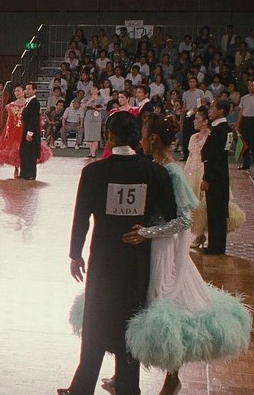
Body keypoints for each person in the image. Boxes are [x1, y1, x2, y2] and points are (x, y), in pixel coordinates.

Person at [120, 113, 252, 395]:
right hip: (151, 243)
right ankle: (128, 373)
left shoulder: (172, 171)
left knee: (166, 304)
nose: (140, 139)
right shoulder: (155, 166)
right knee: (145, 303)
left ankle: (172, 377)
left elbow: (185, 220)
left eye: (143, 134)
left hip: (165, 248)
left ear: (153, 137)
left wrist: (148, 232)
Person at [59, 111, 177, 395]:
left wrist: (75, 254)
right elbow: (173, 218)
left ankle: (82, 389)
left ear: (109, 136)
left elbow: (81, 217)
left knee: (95, 322)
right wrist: (146, 232)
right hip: (137, 262)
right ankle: (128, 388)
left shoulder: (94, 172)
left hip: (103, 260)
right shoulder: (155, 172)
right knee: (130, 322)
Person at [0, 83, 51, 178]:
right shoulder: (11, 105)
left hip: (25, 129)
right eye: (15, 91)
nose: (17, 93)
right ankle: (18, 168)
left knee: (26, 151)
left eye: (19, 91)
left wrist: (32, 132)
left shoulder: (30, 102)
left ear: (23, 91)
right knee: (17, 150)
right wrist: (7, 131)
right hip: (15, 130)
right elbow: (9, 120)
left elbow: (35, 119)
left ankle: (27, 172)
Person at [199, 99, 233, 255]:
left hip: (215, 176)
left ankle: (216, 247)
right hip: (221, 174)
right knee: (218, 210)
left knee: (216, 211)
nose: (209, 110)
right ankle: (217, 245)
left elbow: (213, 156)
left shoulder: (219, 130)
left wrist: (207, 178)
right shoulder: (225, 128)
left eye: (212, 108)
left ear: (221, 111)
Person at [19, 82, 43, 180]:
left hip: (31, 131)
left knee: (31, 153)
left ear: (34, 90)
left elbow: (34, 119)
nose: (27, 91)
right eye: (26, 89)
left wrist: (30, 133)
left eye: (29, 89)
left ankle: (30, 174)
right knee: (25, 152)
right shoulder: (28, 101)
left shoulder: (35, 103)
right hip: (26, 129)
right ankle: (24, 173)